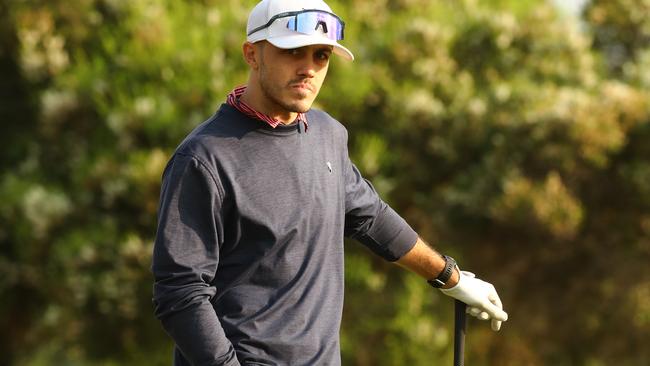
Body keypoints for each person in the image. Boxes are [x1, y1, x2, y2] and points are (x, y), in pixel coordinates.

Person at [151, 0, 508, 365]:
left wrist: (451, 278)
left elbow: (371, 218)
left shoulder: (327, 135)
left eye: (321, 56)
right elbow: (181, 293)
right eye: (292, 51)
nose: (308, 69)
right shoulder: (203, 158)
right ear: (252, 54)